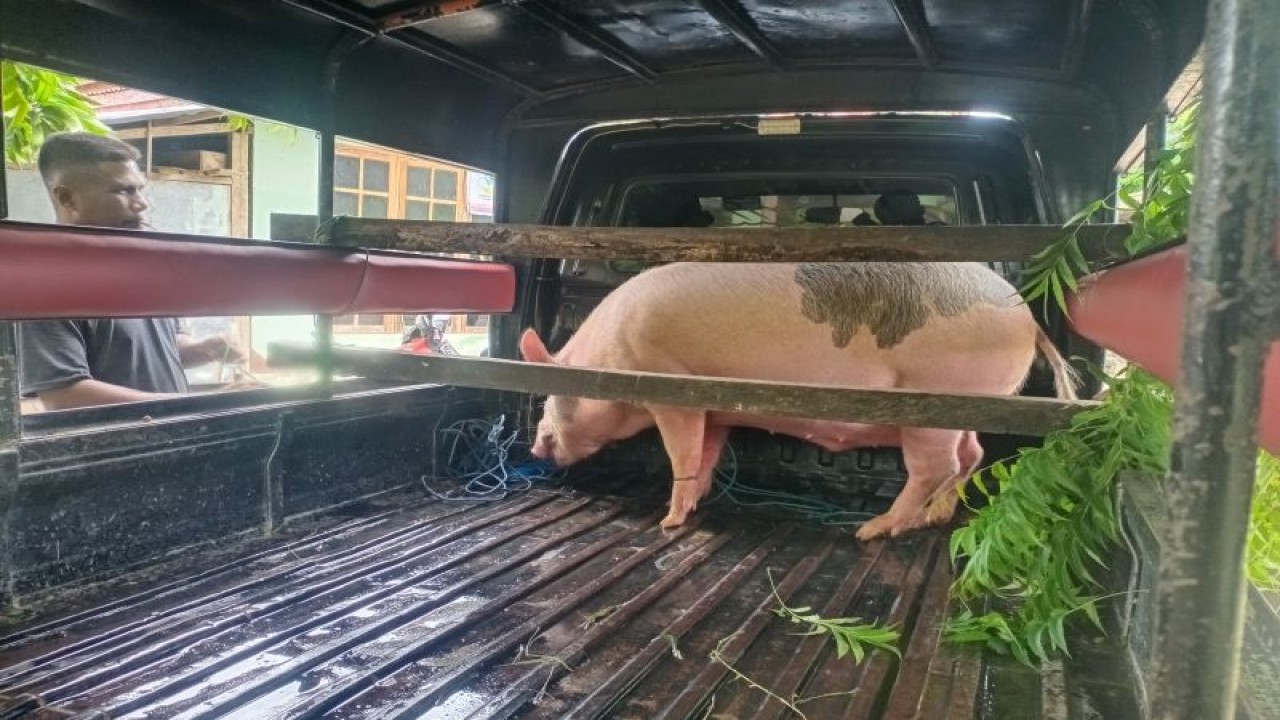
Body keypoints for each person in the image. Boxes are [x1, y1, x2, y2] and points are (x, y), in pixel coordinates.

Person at [18, 132, 243, 411]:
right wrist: (200, 406)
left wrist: (206, 348)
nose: (141, 203)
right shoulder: (45, 285)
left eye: (139, 189)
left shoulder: (146, 270)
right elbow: (66, 395)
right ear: (67, 199)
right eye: (122, 191)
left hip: (174, 442)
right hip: (116, 451)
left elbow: (160, 349)